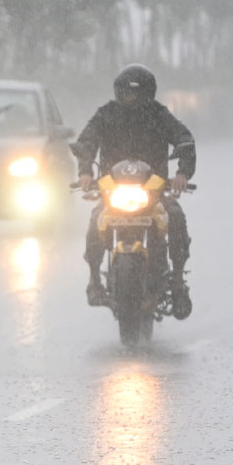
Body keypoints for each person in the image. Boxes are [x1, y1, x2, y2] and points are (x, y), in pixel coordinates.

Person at [72, 64, 196, 318]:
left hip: (153, 189)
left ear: (149, 94)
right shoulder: (106, 114)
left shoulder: (160, 115)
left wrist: (183, 173)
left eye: (138, 94)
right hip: (112, 189)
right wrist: (85, 172)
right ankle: (94, 279)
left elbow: (183, 138)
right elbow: (86, 142)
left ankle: (178, 280)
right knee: (97, 219)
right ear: (119, 93)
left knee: (175, 215)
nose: (133, 99)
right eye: (128, 94)